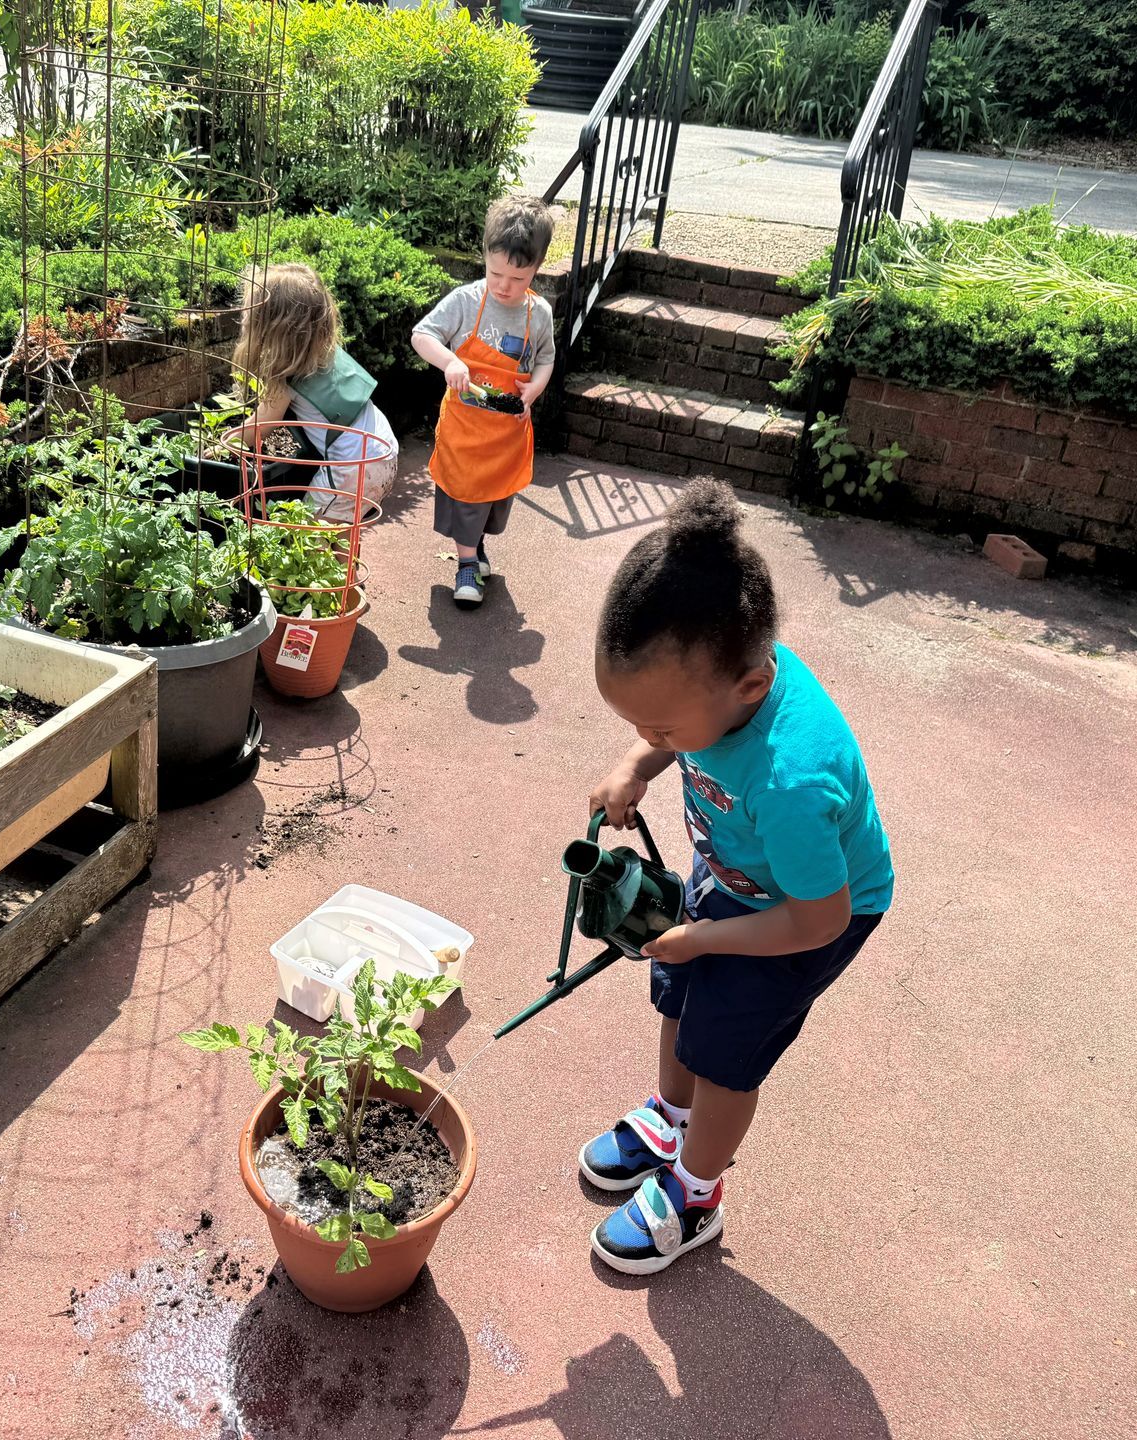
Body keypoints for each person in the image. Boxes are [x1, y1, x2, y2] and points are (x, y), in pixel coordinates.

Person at [580, 479, 895, 1275]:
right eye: (634, 725)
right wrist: (636, 763)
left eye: (660, 728)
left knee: (725, 1052)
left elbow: (817, 922)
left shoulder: (794, 779)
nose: (652, 738)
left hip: (812, 910)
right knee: (681, 997)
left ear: (752, 686)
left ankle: (696, 1191)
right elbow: (684, 734)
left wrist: (707, 936)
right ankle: (668, 1115)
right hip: (738, 878)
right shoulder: (722, 680)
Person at [411, 196, 557, 609]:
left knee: (494, 503)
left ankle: (475, 546)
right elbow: (421, 336)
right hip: (465, 430)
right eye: (495, 273)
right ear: (484, 257)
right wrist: (451, 360)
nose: (504, 286)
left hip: (507, 433)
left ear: (537, 267)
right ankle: (467, 563)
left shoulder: (539, 314)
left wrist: (535, 388)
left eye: (518, 277)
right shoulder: (465, 301)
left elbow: (545, 357)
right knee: (467, 497)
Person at [235, 262, 398, 523]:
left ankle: (326, 564)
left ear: (276, 331)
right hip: (384, 450)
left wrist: (222, 441)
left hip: (353, 467)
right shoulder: (328, 356)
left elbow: (259, 427)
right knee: (343, 529)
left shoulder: (284, 379)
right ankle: (347, 565)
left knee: (309, 531)